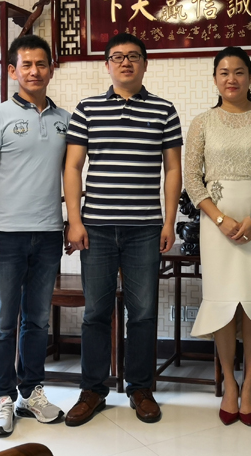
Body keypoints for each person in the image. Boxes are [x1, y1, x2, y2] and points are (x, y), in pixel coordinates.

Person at [63, 33, 182, 426]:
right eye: (117, 57)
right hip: (96, 227)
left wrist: (169, 221)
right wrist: (75, 220)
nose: (125, 62)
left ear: (145, 64)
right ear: (107, 65)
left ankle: (140, 388)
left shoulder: (164, 111)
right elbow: (73, 167)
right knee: (95, 312)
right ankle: (92, 390)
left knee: (143, 313)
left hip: (144, 228)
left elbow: (173, 169)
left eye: (133, 56)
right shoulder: (87, 109)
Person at [184, 46, 251, 426]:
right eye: (224, 72)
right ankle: (230, 382)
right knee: (224, 304)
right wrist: (219, 219)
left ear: (250, 76)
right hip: (217, 228)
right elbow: (191, 177)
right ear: (215, 79)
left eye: (239, 71)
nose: (232, 78)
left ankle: (250, 385)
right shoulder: (202, 122)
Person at [0, 35, 70, 437]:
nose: (34, 71)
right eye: (26, 65)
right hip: (6, 235)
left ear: (51, 69)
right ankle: (2, 398)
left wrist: (71, 221)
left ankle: (31, 392)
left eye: (41, 64)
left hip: (48, 234)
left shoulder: (65, 119)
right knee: (2, 322)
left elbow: (71, 174)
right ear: (12, 71)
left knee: (38, 321)